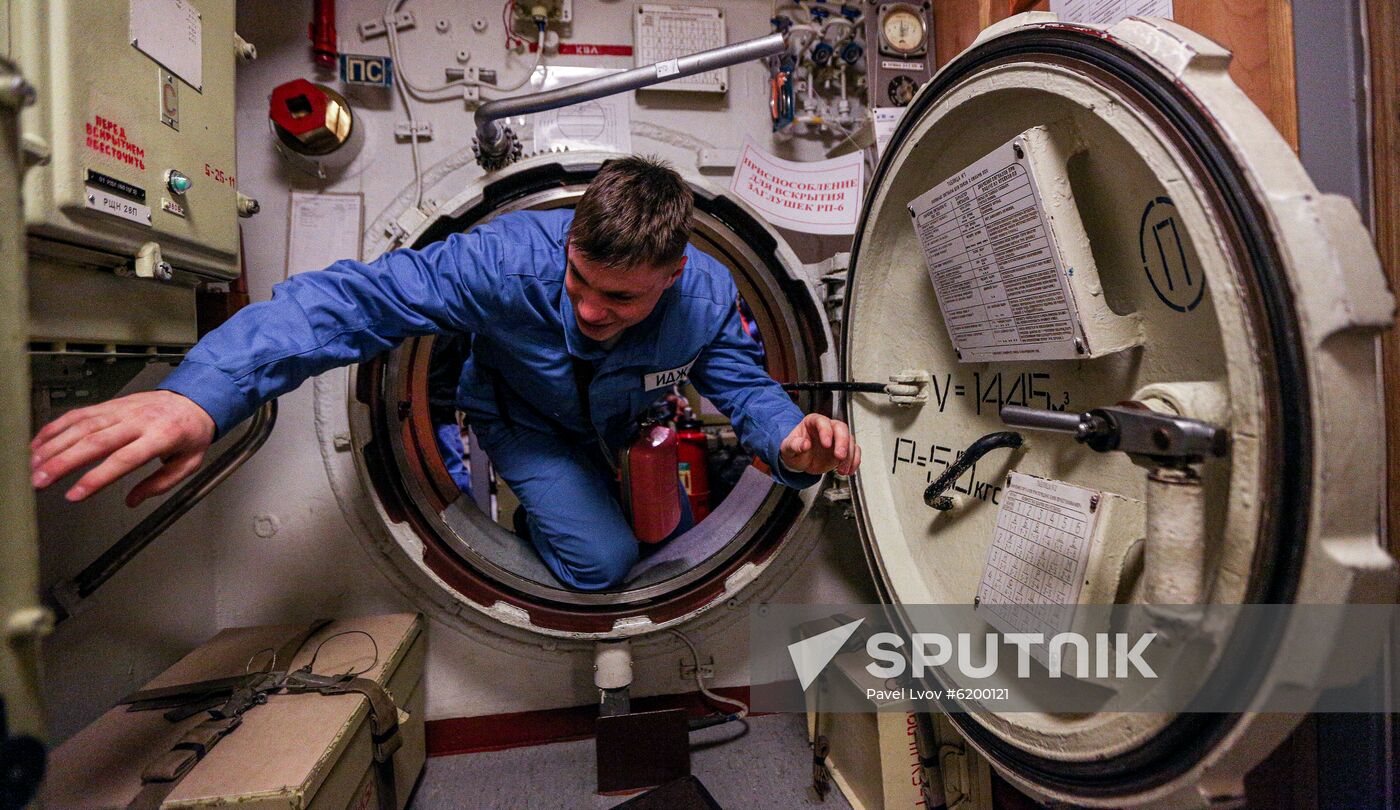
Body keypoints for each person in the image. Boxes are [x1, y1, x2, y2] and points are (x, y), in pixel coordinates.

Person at [29, 156, 862, 591]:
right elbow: (349, 305)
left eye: (620, 298)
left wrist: (795, 440)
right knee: (604, 562)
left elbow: (748, 390)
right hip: (524, 422)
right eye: (578, 282)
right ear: (567, 243)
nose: (589, 310)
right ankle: (555, 508)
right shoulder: (504, 262)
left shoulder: (706, 296)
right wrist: (197, 396)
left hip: (631, 425)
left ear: (672, 276)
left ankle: (593, 500)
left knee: (661, 532)